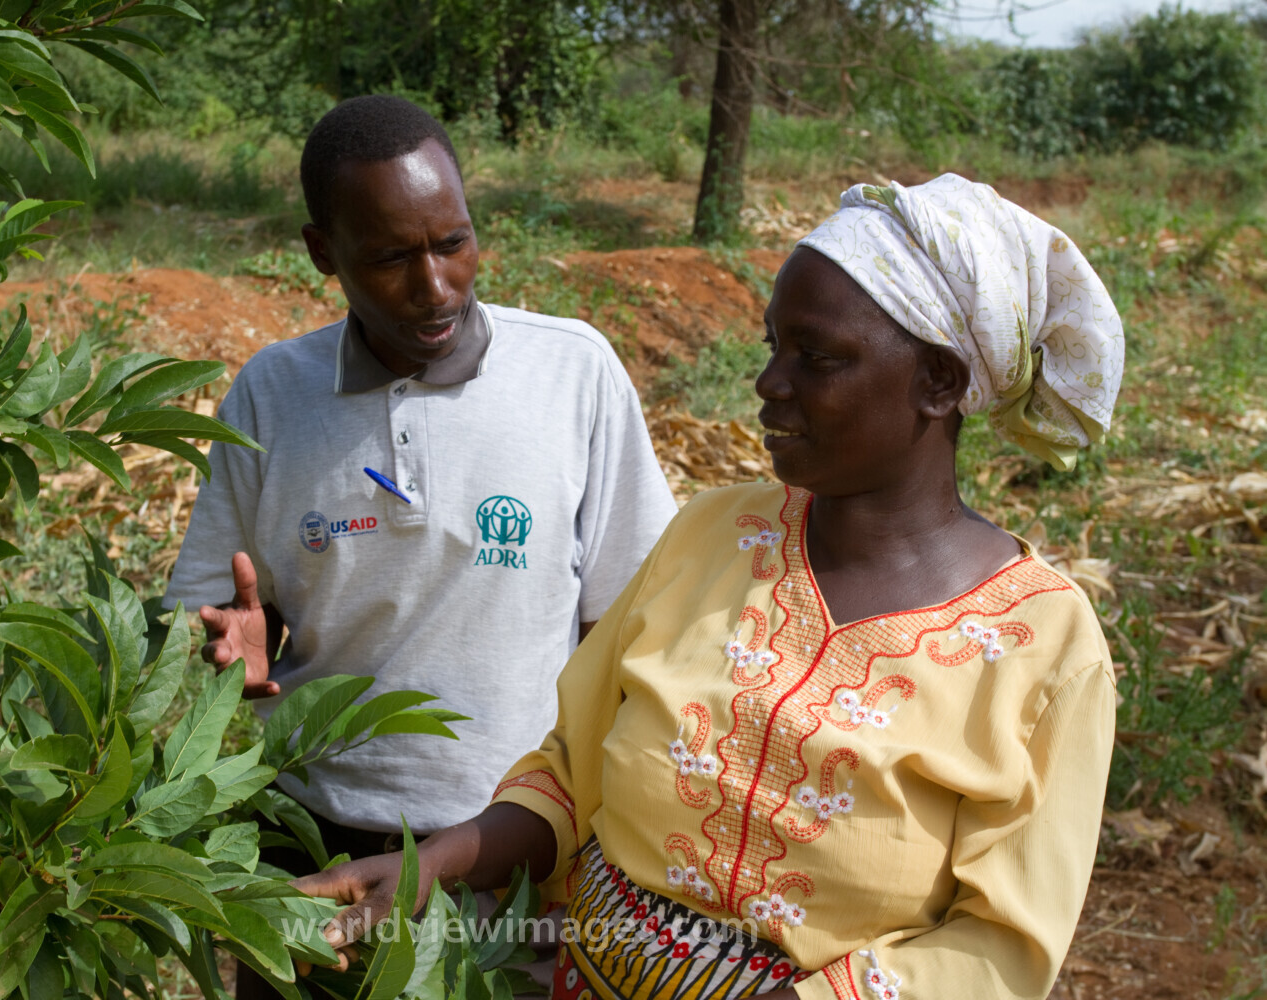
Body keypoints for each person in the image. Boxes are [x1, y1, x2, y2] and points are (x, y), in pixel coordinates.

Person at [295, 173, 1126, 1000]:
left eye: (818, 357)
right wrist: (425, 868)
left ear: (939, 382)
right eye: (773, 347)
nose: (770, 384)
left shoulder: (1042, 644)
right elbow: (568, 771)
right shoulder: (714, 533)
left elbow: (1001, 947)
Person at [165, 94, 675, 909]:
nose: (436, 286)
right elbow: (220, 604)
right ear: (322, 253)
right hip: (311, 833)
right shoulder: (273, 395)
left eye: (453, 243)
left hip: (516, 842)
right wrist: (237, 640)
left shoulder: (572, 373)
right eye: (391, 258)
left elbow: (634, 619)